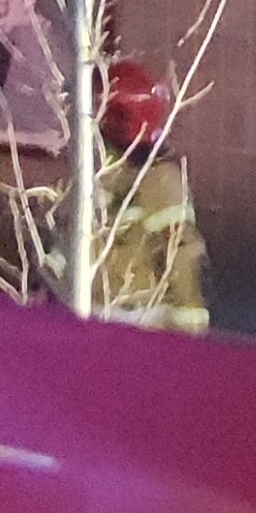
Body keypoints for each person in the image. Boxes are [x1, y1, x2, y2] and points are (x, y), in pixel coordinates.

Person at [93, 58, 209, 330]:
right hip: (98, 313)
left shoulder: (159, 180)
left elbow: (180, 252)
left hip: (139, 319)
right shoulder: (98, 174)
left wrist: (188, 326)